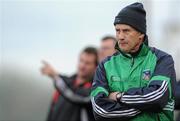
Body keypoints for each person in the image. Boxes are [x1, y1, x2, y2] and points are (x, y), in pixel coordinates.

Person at [91, 2, 176, 121]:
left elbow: (157, 97)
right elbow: (99, 110)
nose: (120, 36)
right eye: (117, 30)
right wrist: (144, 107)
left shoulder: (162, 59)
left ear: (141, 34)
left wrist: (119, 96)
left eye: (126, 31)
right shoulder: (105, 66)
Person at [41, 47, 98, 121]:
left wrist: (56, 76)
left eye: (87, 63)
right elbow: (53, 110)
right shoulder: (64, 85)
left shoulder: (95, 90)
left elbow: (74, 95)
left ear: (96, 67)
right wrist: (58, 79)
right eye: (81, 61)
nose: (82, 66)